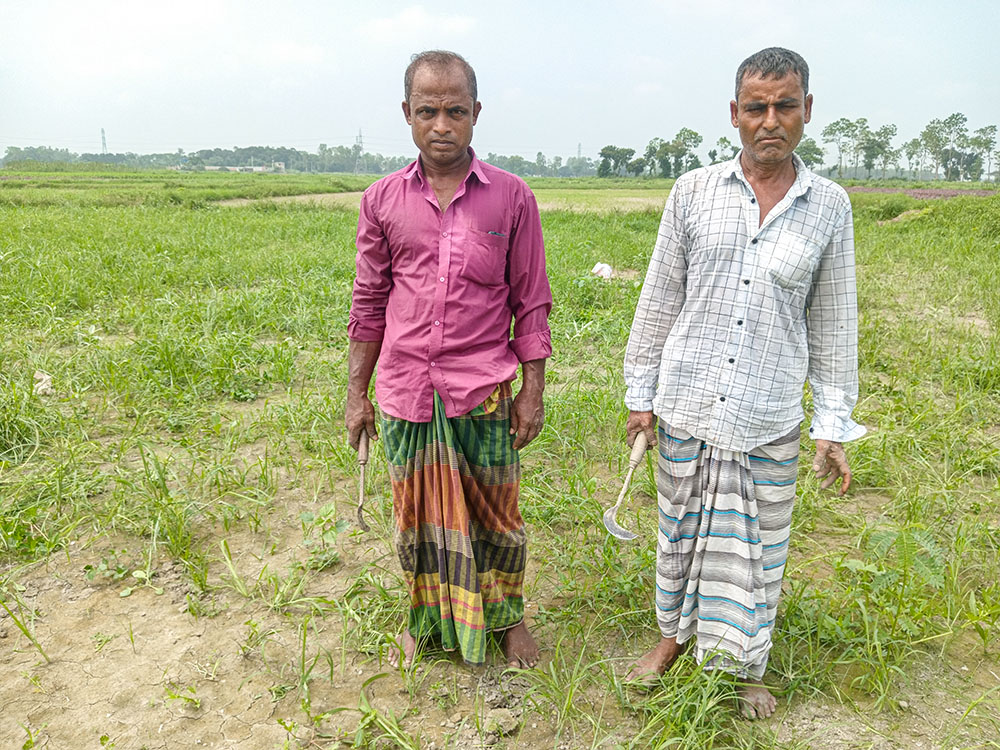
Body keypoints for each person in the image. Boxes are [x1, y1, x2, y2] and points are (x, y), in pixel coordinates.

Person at [622, 47, 865, 719]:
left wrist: (831, 426)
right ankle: (671, 638)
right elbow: (658, 299)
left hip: (767, 415)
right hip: (688, 403)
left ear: (807, 112)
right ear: (734, 114)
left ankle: (743, 663)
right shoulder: (693, 192)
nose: (770, 120)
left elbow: (835, 322)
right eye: (756, 107)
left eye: (785, 105)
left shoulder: (829, 208)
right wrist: (640, 398)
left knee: (759, 549)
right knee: (679, 532)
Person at [345, 50, 551, 670]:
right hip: (408, 388)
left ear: (475, 114)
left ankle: (509, 620)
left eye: (455, 111)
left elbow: (531, 300)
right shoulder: (381, 200)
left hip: (482, 389)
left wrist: (533, 388)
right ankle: (423, 617)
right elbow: (368, 303)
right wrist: (356, 394)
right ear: (407, 115)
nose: (441, 124)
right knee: (415, 517)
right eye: (428, 111)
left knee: (496, 511)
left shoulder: (512, 199)